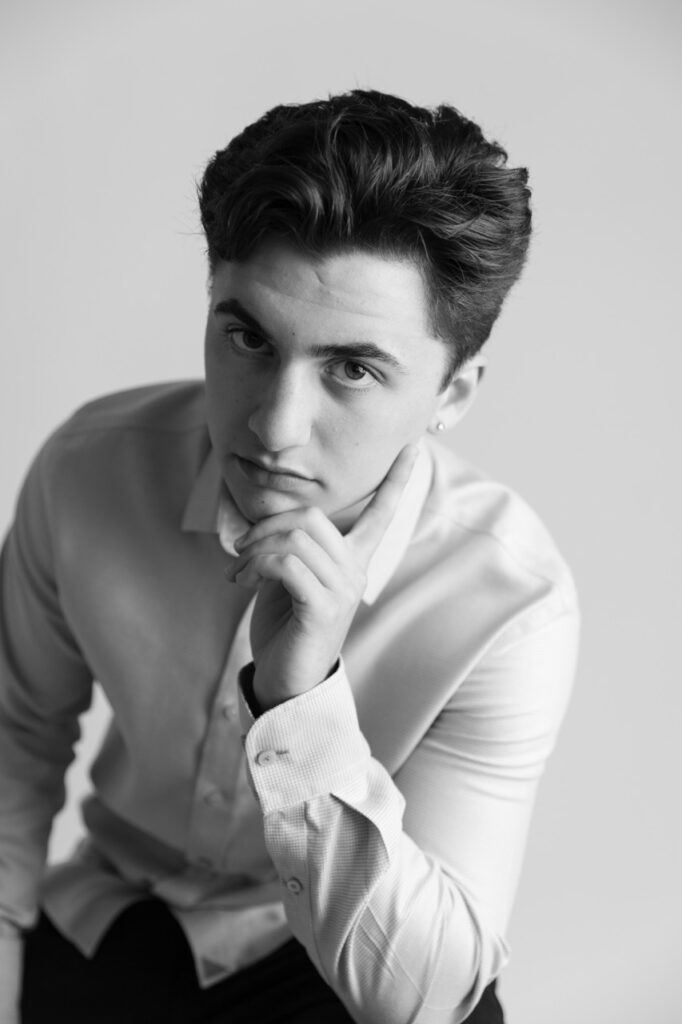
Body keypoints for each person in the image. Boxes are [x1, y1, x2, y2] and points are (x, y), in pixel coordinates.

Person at [0, 90, 579, 1024]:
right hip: (117, 924)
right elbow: (12, 740)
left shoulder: (508, 602)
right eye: (248, 338)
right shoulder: (87, 470)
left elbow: (425, 997)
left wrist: (304, 703)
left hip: (334, 946)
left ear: (453, 393)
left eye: (353, 369)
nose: (274, 427)